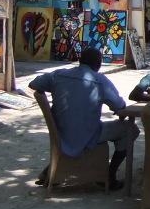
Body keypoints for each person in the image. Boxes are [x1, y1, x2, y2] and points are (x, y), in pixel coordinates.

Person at [28, 47, 139, 190]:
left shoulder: (58, 75)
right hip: (89, 134)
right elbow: (119, 105)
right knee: (131, 130)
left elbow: (34, 84)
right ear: (98, 64)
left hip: (61, 134)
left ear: (80, 60)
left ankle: (55, 168)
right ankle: (109, 175)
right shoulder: (100, 81)